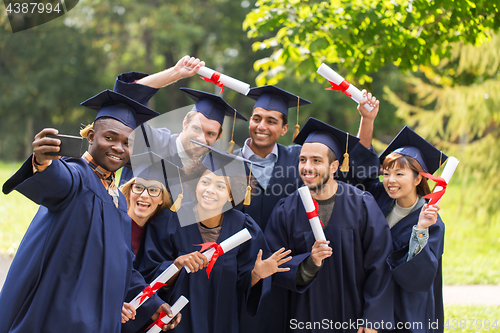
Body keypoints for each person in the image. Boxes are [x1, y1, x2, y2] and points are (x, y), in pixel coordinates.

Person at [0, 89, 180, 332]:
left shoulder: (117, 198)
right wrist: (42, 162)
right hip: (59, 312)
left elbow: (121, 263)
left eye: (127, 143)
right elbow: (58, 179)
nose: (119, 147)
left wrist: (152, 304)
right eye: (110, 138)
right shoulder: (77, 175)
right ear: (92, 136)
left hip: (96, 315)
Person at [137, 142, 292, 333]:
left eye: (220, 185)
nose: (210, 189)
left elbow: (243, 282)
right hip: (178, 323)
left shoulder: (243, 227)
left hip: (222, 322)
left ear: (230, 194)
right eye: (205, 182)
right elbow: (148, 274)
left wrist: (256, 275)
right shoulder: (170, 221)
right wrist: (176, 265)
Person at [265, 117, 394, 333]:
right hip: (305, 319)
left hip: (354, 318)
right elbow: (275, 264)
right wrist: (309, 262)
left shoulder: (361, 204)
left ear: (334, 166)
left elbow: (380, 263)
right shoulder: (286, 209)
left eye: (316, 161)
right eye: (303, 160)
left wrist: (373, 319)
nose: (307, 167)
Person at [351, 98, 447, 333]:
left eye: (399, 174)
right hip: (372, 298)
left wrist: (421, 229)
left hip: (406, 307)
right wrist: (367, 120)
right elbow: (360, 169)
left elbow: (421, 275)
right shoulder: (379, 197)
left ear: (417, 179)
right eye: (386, 173)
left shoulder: (431, 221)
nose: (390, 180)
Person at [120, 159, 172, 260]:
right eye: (138, 187)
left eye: (153, 190)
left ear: (161, 198)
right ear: (130, 192)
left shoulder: (157, 235)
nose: (144, 195)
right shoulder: (112, 223)